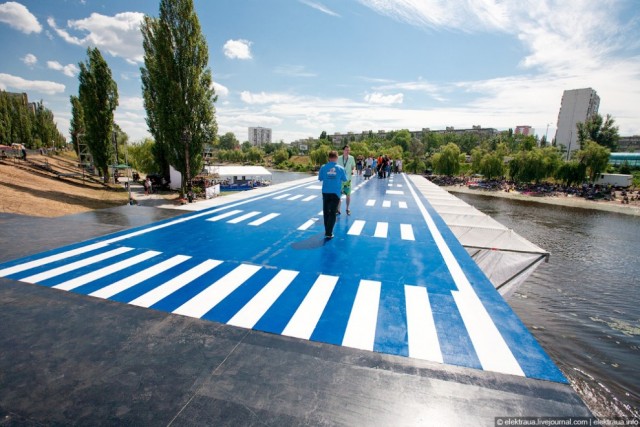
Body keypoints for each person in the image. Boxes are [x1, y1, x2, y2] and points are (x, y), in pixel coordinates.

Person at [318, 151, 347, 239]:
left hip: (326, 192)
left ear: (329, 158)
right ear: (337, 158)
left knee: (326, 212)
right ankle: (329, 233)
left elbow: (320, 178)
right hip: (336, 193)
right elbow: (344, 179)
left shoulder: (323, 167)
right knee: (333, 213)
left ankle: (327, 230)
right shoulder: (341, 168)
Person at [337, 145, 356, 215]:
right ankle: (338, 209)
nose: (347, 151)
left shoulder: (351, 158)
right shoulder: (338, 158)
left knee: (348, 195)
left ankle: (347, 208)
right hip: (340, 180)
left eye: (348, 150)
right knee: (339, 195)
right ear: (343, 151)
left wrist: (353, 170)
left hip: (348, 180)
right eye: (346, 150)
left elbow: (353, 166)